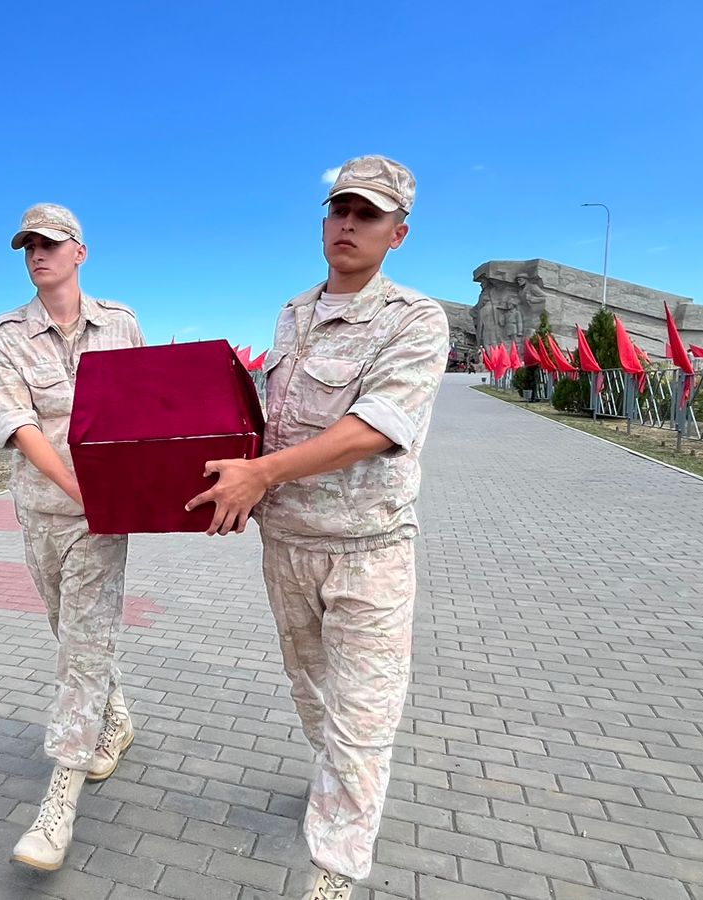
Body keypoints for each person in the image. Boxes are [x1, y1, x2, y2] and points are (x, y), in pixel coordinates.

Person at [186, 155, 449, 899]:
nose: (349, 225)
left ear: (399, 233)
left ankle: (335, 869)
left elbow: (376, 425)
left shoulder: (415, 319)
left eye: (368, 215)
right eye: (340, 210)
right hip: (289, 545)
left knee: (364, 713)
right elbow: (267, 428)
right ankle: (338, 790)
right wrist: (226, 475)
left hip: (369, 551)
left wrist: (262, 474)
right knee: (314, 696)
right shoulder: (293, 314)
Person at [0, 203, 146, 872]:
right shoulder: (5, 333)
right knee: (71, 630)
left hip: (104, 521)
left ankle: (59, 799)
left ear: (81, 251)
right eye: (29, 246)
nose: (37, 255)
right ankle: (116, 717)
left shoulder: (123, 323)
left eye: (50, 244)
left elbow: (145, 411)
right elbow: (20, 426)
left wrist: (146, 490)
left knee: (81, 647)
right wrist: (83, 490)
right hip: (45, 510)